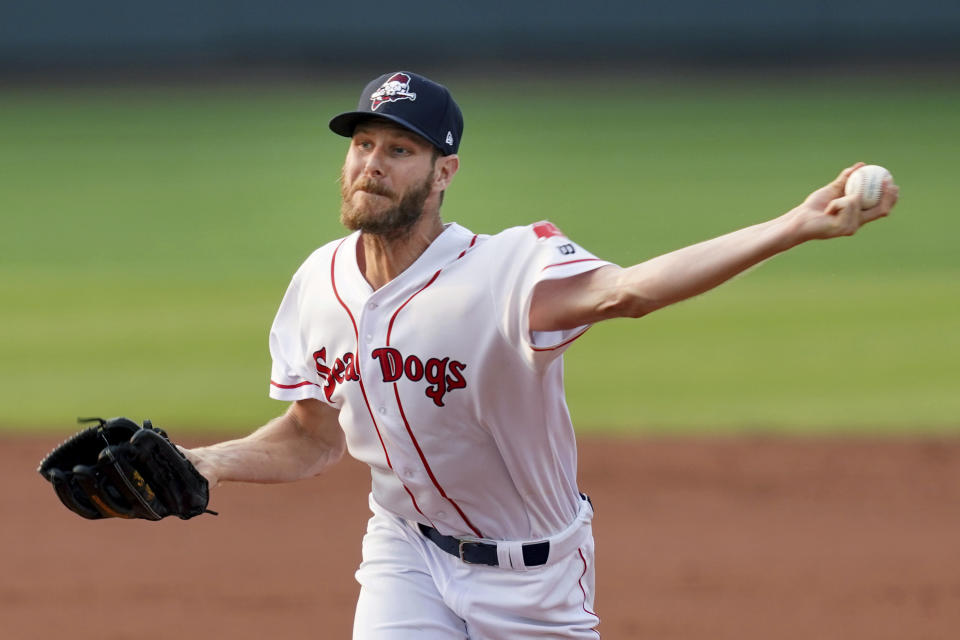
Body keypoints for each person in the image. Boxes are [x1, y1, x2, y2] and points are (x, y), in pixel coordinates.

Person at [182, 70, 899, 639]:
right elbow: (312, 436)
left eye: (399, 150)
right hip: (406, 552)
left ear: (443, 173)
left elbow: (630, 291)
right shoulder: (319, 281)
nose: (372, 164)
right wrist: (205, 462)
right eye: (363, 144)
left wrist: (795, 226)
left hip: (534, 578)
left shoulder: (506, 271)